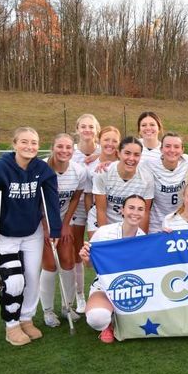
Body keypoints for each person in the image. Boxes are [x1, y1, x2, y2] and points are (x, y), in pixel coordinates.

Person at [0, 127, 61, 346]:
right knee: (13, 281)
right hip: (3, 234)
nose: (29, 146)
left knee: (32, 277)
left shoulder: (43, 170)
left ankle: (26, 318)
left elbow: (50, 203)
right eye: (24, 142)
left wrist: (55, 229)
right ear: (14, 144)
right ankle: (11, 324)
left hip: (32, 232)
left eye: (34, 142)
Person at [79, 194, 147, 343]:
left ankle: (119, 317)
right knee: (97, 318)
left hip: (131, 289)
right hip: (104, 287)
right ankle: (107, 323)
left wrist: (168, 237)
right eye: (131, 207)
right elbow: (90, 265)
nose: (135, 212)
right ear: (122, 210)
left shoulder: (144, 240)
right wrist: (86, 258)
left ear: (144, 213)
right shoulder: (103, 233)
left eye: (140, 209)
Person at [40, 133, 87, 327]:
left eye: (68, 147)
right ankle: (48, 311)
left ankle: (67, 306)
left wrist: (66, 224)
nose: (64, 151)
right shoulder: (41, 168)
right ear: (53, 147)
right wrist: (47, 229)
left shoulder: (79, 171)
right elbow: (36, 202)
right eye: (60, 146)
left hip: (64, 220)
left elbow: (75, 198)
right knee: (50, 264)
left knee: (68, 262)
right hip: (42, 221)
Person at [89, 136, 154, 235]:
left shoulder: (146, 178)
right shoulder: (103, 173)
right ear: (118, 153)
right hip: (104, 219)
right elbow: (101, 210)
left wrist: (141, 240)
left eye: (136, 155)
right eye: (127, 153)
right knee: (101, 247)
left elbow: (145, 213)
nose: (131, 158)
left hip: (130, 222)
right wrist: (105, 237)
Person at [70, 113, 101, 313]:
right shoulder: (69, 151)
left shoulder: (104, 149)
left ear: (97, 129)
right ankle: (79, 296)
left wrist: (100, 156)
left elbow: (119, 151)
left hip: (97, 207)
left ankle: (101, 288)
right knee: (76, 252)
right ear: (78, 129)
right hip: (73, 206)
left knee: (97, 250)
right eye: (83, 126)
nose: (87, 130)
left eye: (91, 126)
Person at [146, 132, 188, 233]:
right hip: (156, 224)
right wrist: (108, 163)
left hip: (180, 223)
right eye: (167, 146)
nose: (172, 150)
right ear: (161, 149)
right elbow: (129, 164)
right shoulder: (149, 165)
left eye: (176, 147)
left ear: (182, 150)